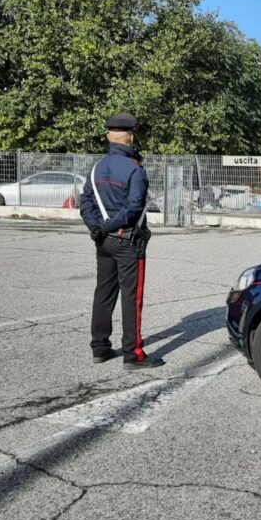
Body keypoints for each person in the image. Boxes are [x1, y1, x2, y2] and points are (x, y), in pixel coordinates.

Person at [79, 112, 163, 369]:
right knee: (131, 297)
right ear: (131, 137)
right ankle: (133, 354)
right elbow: (134, 208)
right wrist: (109, 225)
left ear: (108, 137)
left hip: (103, 241)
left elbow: (86, 203)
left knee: (103, 294)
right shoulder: (135, 170)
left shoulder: (96, 169)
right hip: (127, 241)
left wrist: (96, 227)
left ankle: (100, 348)